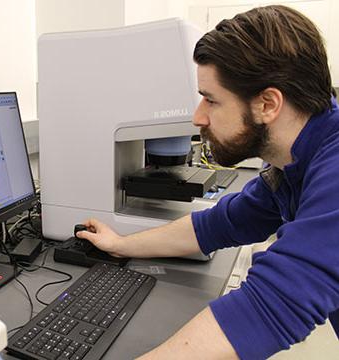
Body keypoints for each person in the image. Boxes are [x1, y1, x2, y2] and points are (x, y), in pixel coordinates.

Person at [76, 5, 339, 359]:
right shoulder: (296, 159)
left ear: (268, 104)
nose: (198, 116)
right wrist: (122, 245)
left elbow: (270, 308)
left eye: (211, 100)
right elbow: (224, 223)